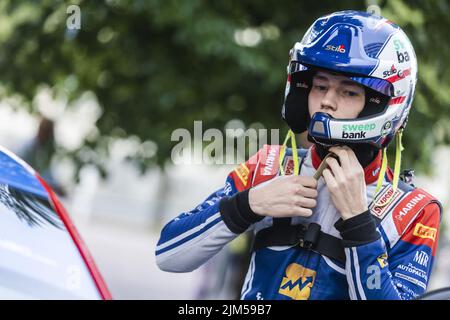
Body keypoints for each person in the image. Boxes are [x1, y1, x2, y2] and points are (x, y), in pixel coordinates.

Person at [156, 10, 442, 300]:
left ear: (380, 103)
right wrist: (249, 204)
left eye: (348, 92)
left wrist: (358, 224)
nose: (327, 101)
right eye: (320, 86)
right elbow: (168, 255)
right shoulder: (270, 165)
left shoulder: (415, 210)